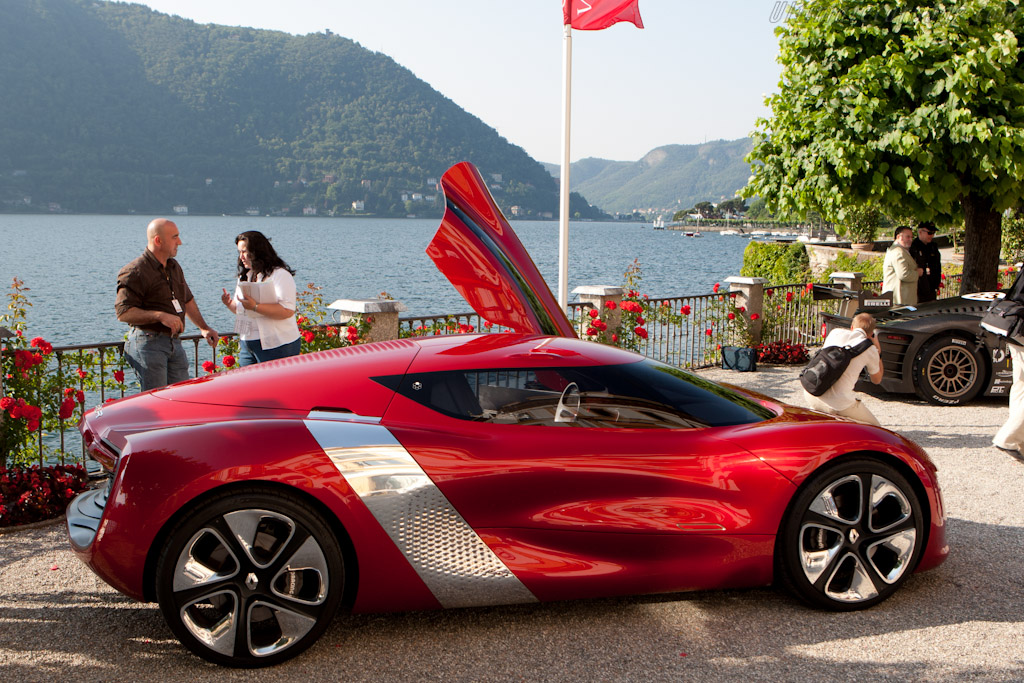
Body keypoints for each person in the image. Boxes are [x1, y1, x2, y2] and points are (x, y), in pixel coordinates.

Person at [116, 218, 219, 391]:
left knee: (181, 398)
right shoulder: (135, 271)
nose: (180, 242)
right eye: (175, 237)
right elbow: (123, 313)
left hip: (174, 343)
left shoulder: (174, 267)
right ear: (158, 240)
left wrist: (204, 327)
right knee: (157, 403)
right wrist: (159, 316)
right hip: (149, 344)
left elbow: (187, 300)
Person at [221, 230, 301, 365]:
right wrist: (230, 304)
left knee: (274, 386)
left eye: (245, 252)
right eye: (239, 252)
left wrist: (255, 307)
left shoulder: (280, 275)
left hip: (277, 344)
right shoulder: (245, 276)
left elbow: (287, 311)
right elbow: (241, 309)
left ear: (257, 251)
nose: (241, 257)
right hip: (247, 343)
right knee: (247, 385)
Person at [803, 312, 884, 426]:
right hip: (838, 404)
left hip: (811, 392)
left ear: (852, 327)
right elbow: (877, 379)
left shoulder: (835, 333)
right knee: (876, 428)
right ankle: (844, 425)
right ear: (871, 334)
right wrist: (878, 351)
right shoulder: (870, 349)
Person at [993, 268, 1024, 463]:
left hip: (1015, 331)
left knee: (1020, 385)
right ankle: (1008, 438)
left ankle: (1018, 442)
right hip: (1022, 331)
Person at [883, 225, 922, 305]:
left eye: (911, 237)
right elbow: (903, 274)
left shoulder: (897, 250)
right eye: (907, 237)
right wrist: (918, 273)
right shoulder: (898, 252)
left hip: (901, 299)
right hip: (900, 300)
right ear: (898, 237)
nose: (910, 240)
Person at [910, 221, 941, 303]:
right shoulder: (913, 248)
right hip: (919, 289)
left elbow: (937, 266)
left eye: (933, 233)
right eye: (929, 233)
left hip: (931, 288)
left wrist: (936, 284)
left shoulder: (933, 246)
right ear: (920, 232)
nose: (932, 236)